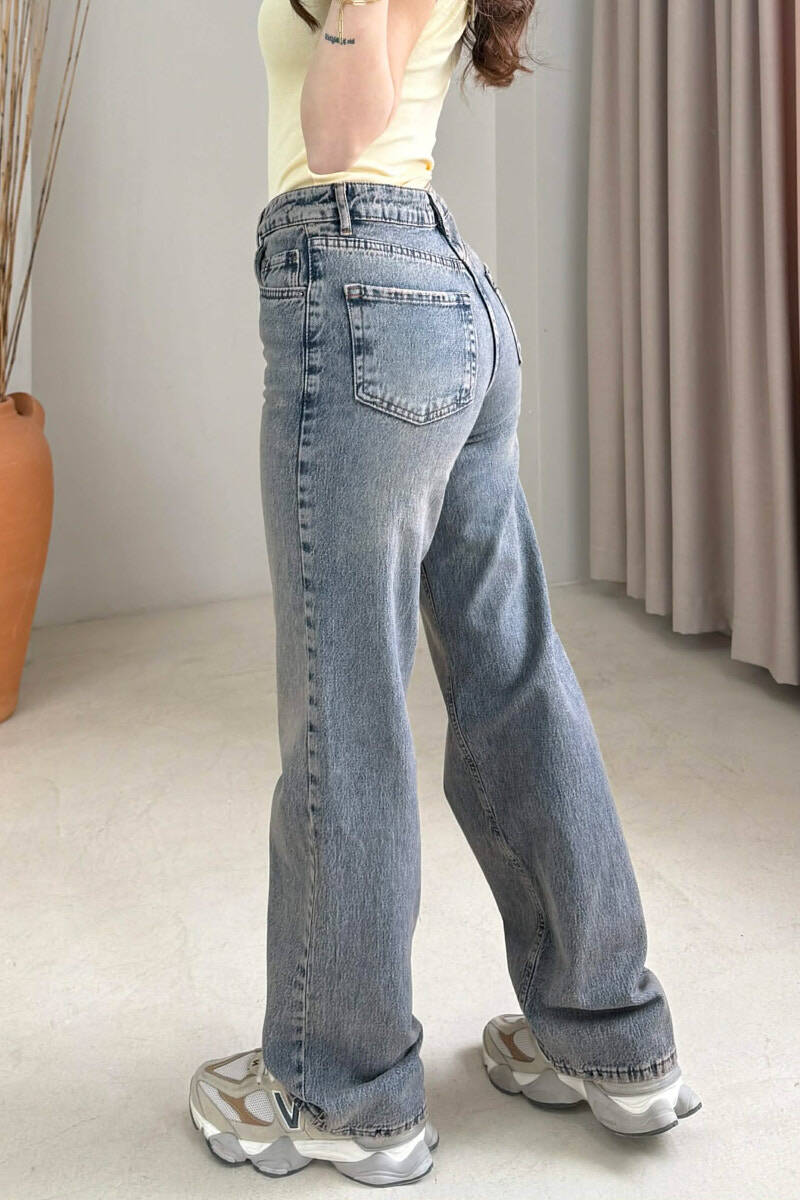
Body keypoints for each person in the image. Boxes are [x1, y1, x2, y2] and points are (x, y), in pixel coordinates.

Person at [189, 0, 701, 1186]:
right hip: (437, 287)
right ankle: (611, 1037)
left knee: (344, 702)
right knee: (513, 681)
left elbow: (335, 132)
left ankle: (340, 1085)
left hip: (356, 284)